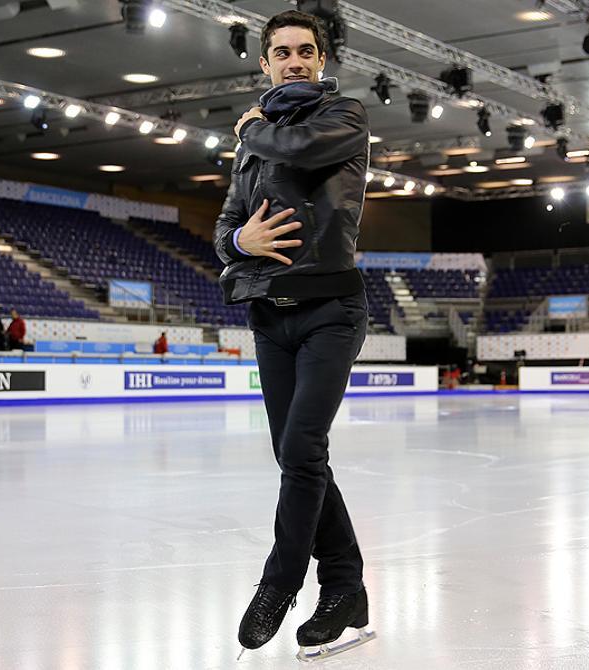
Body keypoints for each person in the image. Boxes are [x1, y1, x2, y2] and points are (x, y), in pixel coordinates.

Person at [213, 10, 373, 660]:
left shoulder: (347, 118)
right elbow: (226, 226)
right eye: (283, 53)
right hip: (270, 317)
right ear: (265, 63)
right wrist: (238, 241)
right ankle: (346, 588)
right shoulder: (251, 145)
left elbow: (301, 149)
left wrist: (254, 125)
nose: (295, 61)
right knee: (296, 456)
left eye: (306, 50)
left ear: (322, 58)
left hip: (331, 310)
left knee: (303, 446)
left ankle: (280, 582)